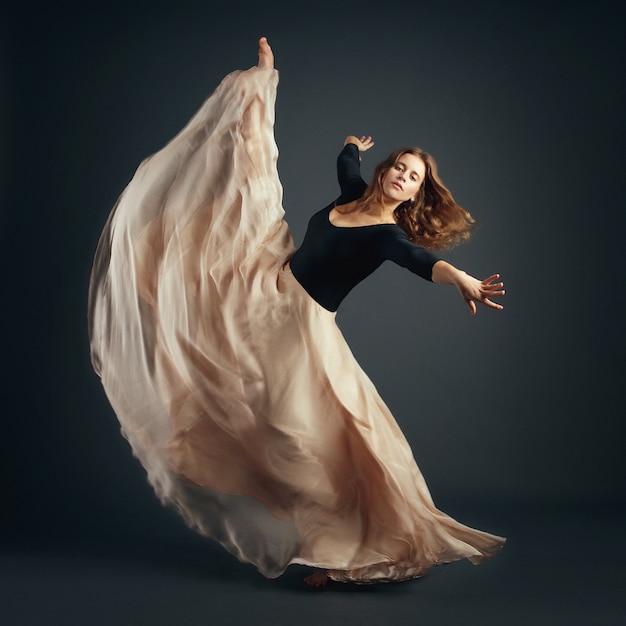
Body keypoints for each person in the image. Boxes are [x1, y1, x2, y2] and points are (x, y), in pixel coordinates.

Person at [88, 37, 505, 588]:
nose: (403, 176)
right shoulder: (352, 192)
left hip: (300, 329)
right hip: (267, 289)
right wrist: (350, 143)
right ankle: (314, 526)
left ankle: (348, 550)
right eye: (400, 167)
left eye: (414, 178)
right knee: (208, 292)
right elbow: (346, 160)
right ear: (385, 172)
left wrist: (465, 281)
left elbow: (424, 263)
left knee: (306, 438)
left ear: (414, 196)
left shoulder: (385, 236)